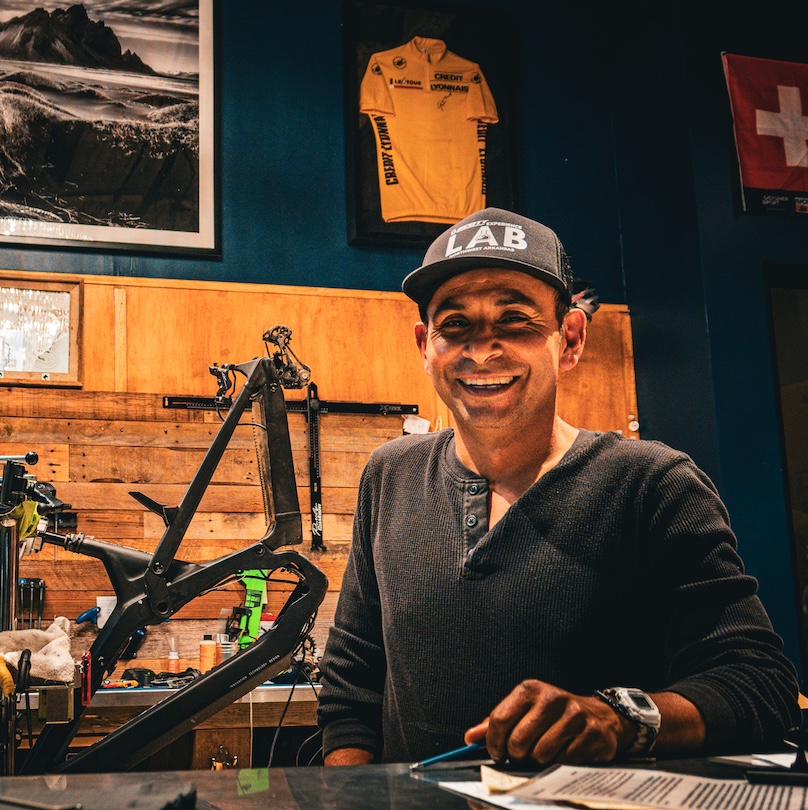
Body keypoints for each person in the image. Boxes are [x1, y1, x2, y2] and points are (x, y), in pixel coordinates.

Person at [316, 207, 800, 767]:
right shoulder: (389, 474)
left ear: (569, 339)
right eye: (455, 325)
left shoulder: (652, 484)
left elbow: (758, 683)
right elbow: (351, 683)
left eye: (515, 321)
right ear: (425, 344)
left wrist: (620, 718)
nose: (481, 350)